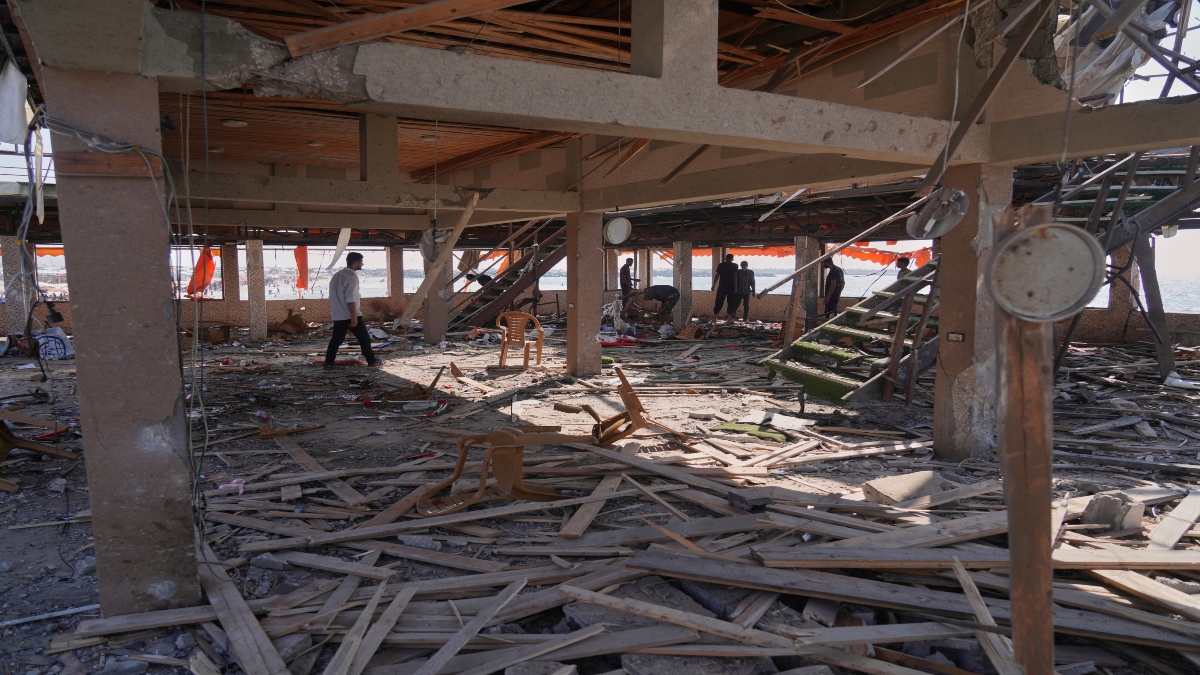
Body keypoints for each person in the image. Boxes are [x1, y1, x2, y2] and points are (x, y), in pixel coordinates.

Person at [324, 252, 379, 370]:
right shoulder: (352, 276)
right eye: (361, 262)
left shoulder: (336, 275)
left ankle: (329, 363)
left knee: (336, 340)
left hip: (338, 315)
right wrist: (354, 316)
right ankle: (372, 360)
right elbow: (350, 298)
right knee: (364, 338)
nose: (362, 264)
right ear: (355, 263)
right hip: (350, 314)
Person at [712, 253, 738, 318]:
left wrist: (713, 285)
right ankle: (729, 318)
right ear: (732, 259)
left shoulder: (721, 265)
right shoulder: (734, 266)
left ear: (726, 258)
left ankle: (715, 317)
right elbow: (735, 277)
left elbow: (717, 275)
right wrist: (735, 287)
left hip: (722, 286)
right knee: (731, 302)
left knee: (719, 301)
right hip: (730, 287)